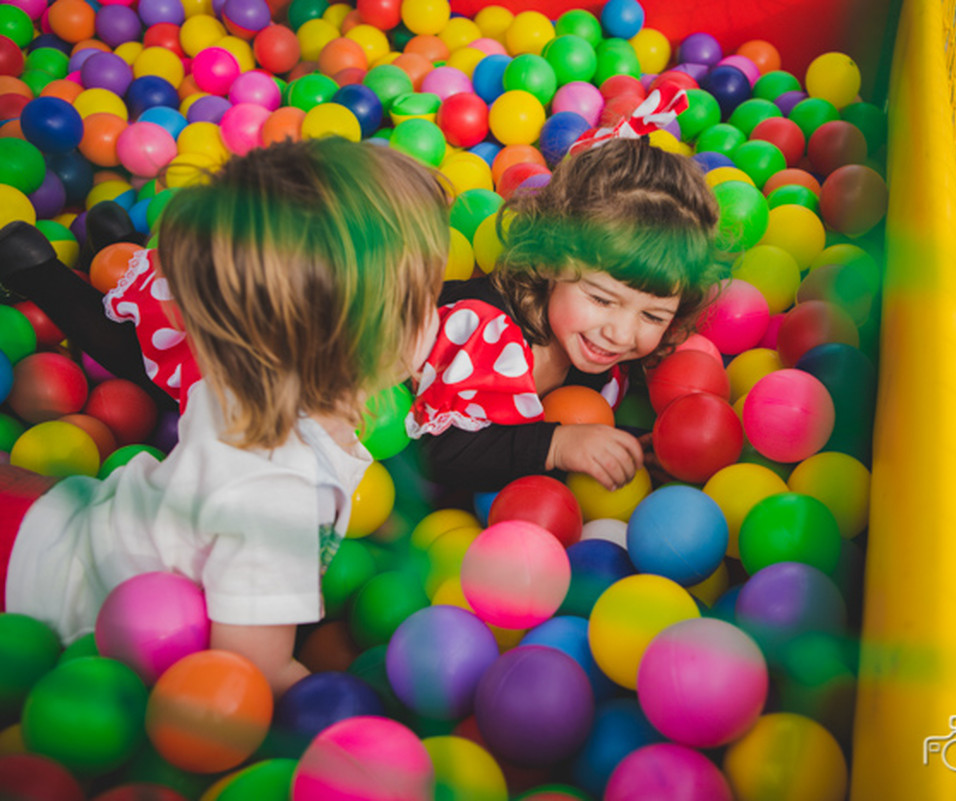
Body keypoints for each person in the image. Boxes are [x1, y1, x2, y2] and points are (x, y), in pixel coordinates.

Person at [0, 138, 449, 695]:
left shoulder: (246, 375)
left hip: (66, 521)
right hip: (46, 601)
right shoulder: (279, 492)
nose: (438, 313)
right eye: (425, 299)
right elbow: (251, 670)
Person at [409, 133, 721, 492]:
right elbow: (435, 453)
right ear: (550, 259)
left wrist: (631, 448)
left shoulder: (603, 350)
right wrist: (556, 446)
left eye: (653, 316)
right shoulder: (485, 332)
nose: (621, 334)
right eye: (602, 300)